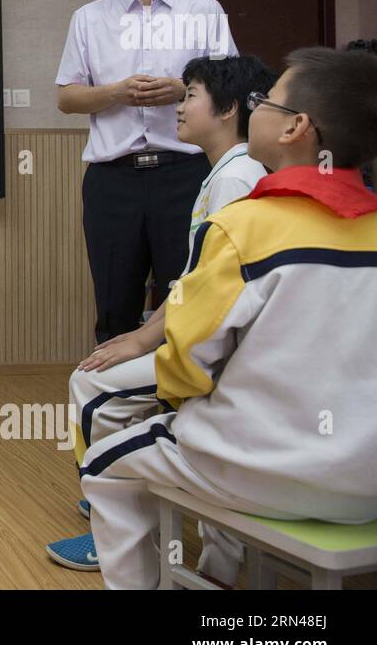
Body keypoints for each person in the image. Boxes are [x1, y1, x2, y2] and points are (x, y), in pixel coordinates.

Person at [80, 46, 377, 589]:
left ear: (296, 129)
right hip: (368, 479)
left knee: (104, 461)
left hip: (263, 470)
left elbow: (187, 365)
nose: (253, 108)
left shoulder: (243, 226)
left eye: (265, 102)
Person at [45, 54, 276, 577]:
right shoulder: (226, 173)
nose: (180, 104)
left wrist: (145, 341)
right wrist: (147, 333)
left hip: (219, 354)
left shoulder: (235, 180)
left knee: (90, 385)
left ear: (228, 109)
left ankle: (112, 531)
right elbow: (196, 283)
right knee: (111, 369)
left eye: (190, 94)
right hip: (210, 342)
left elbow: (212, 295)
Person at [56, 0, 239, 345]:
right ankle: (116, 408)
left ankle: (178, 408)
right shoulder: (89, 18)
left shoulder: (205, 10)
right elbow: (67, 98)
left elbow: (233, 85)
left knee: (188, 297)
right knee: (114, 303)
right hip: (112, 180)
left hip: (187, 175)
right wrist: (114, 93)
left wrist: (184, 90)